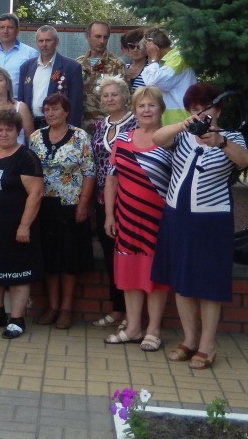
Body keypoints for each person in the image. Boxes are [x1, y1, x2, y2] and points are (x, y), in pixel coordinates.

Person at [151, 83, 248, 371]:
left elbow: (244, 161)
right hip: (177, 217)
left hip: (211, 220)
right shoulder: (183, 136)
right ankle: (189, 339)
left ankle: (208, 344)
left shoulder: (231, 136)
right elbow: (157, 138)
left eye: (203, 108)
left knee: (209, 284)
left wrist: (219, 141)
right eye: (192, 109)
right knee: (181, 282)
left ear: (217, 109)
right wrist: (183, 125)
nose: (198, 114)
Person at [102, 86, 172, 351]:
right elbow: (111, 180)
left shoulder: (170, 141)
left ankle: (153, 330)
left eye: (151, 105)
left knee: (154, 277)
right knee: (130, 273)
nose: (146, 110)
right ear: (134, 110)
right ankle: (133, 327)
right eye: (141, 106)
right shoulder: (123, 139)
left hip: (158, 220)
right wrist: (110, 214)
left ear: (160, 109)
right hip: (127, 218)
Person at [0, 109, 44, 340]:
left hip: (15, 227)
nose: (3, 134)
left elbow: (36, 194)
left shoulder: (26, 158)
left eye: (8, 130)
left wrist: (24, 225)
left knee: (17, 274)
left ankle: (16, 319)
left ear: (18, 131)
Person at [28, 93, 95, 330]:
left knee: (68, 260)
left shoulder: (80, 137)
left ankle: (66, 308)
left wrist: (83, 204)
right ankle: (52, 306)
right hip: (43, 207)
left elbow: (89, 172)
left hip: (70, 206)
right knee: (49, 260)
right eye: (46, 109)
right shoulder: (36, 137)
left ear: (66, 111)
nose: (50, 113)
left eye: (55, 109)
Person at [89, 75, 137, 330]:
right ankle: (117, 308)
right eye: (105, 95)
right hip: (101, 199)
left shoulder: (137, 123)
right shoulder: (99, 126)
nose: (109, 99)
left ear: (125, 97)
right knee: (110, 257)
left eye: (114, 94)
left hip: (130, 200)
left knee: (129, 257)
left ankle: (134, 314)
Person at [19, 25, 84, 129]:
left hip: (59, 125)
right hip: (30, 125)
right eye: (41, 41)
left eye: (48, 40)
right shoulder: (26, 67)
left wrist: (71, 131)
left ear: (57, 41)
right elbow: (21, 101)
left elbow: (75, 104)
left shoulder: (71, 67)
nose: (44, 44)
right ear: (36, 42)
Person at [76, 20, 126, 132]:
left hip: (109, 128)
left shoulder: (117, 64)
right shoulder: (77, 64)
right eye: (98, 36)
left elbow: (126, 99)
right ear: (87, 36)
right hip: (82, 128)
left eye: (105, 37)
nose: (102, 41)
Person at [139, 27, 196, 124]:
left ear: (153, 47)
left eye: (148, 53)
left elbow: (153, 82)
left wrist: (153, 59)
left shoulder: (178, 58)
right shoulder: (164, 62)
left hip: (182, 121)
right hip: (171, 121)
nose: (148, 56)